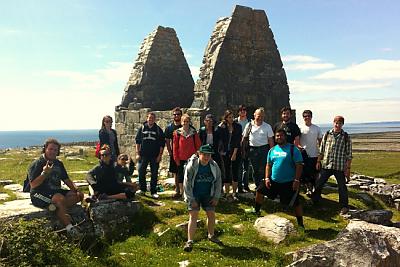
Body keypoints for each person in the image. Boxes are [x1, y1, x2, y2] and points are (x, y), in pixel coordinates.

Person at [250, 129, 304, 228]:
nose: (279, 137)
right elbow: (268, 165)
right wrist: (266, 178)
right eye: (277, 136)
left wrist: (296, 180)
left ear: (285, 137)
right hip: (274, 181)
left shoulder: (293, 149)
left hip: (289, 182)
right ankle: (256, 211)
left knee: (296, 203)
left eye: (281, 135)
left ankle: (301, 224)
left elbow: (299, 165)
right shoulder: (272, 150)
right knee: (259, 190)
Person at [28, 138, 84, 234]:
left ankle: (56, 208)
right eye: (50, 149)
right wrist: (44, 173)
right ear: (45, 149)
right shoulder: (37, 164)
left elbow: (66, 180)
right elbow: (33, 185)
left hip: (55, 192)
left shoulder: (58, 164)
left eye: (55, 150)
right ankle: (70, 228)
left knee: (78, 195)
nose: (53, 152)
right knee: (59, 199)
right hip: (39, 194)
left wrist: (77, 190)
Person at [183, 144, 223, 252]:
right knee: (193, 216)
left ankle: (211, 235)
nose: (206, 157)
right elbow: (186, 183)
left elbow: (218, 181)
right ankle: (190, 241)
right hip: (194, 194)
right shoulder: (192, 165)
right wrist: (191, 199)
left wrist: (216, 197)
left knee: (211, 214)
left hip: (207, 194)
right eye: (204, 155)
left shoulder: (214, 165)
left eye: (209, 155)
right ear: (199, 154)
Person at [311, 116, 352, 215]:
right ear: (333, 123)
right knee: (319, 183)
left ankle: (344, 206)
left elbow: (349, 154)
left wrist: (348, 169)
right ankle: (315, 201)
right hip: (327, 165)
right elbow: (321, 149)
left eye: (340, 123)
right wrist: (318, 161)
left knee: (342, 187)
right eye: (336, 123)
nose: (337, 125)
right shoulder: (327, 134)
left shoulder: (346, 136)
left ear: (342, 124)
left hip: (339, 166)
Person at [135, 112, 165, 199]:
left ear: (154, 119)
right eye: (149, 118)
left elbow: (162, 144)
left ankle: (153, 191)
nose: (150, 119)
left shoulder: (158, 130)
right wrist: (137, 153)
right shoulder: (142, 128)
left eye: (152, 118)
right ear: (147, 118)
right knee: (141, 171)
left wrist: (160, 155)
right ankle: (142, 189)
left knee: (154, 173)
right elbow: (138, 141)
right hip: (143, 154)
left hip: (154, 155)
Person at [242, 107, 274, 188]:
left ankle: (264, 186)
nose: (260, 118)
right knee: (255, 170)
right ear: (254, 115)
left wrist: (272, 152)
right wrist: (242, 150)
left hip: (264, 149)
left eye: (262, 116)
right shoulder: (249, 125)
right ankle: (257, 186)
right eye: (258, 116)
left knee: (264, 169)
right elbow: (244, 138)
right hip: (253, 150)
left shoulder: (267, 126)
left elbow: (271, 140)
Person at [173, 114, 201, 198]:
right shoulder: (177, 133)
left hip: (192, 158)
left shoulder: (193, 132)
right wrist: (176, 158)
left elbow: (198, 145)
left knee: (192, 175)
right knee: (181, 175)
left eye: (187, 121)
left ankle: (191, 191)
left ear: (189, 122)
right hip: (181, 157)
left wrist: (198, 156)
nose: (185, 123)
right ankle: (182, 192)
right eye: (184, 121)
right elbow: (175, 147)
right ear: (181, 122)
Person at [216, 110, 242, 201]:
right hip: (225, 152)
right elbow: (217, 133)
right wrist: (220, 126)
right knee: (226, 172)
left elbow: (237, 141)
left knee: (235, 172)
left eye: (232, 117)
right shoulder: (223, 127)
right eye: (229, 117)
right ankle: (227, 193)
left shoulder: (238, 126)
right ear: (226, 118)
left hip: (235, 151)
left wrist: (234, 154)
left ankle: (234, 193)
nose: (231, 119)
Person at [299, 110, 323, 196]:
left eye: (308, 116)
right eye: (305, 116)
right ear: (303, 117)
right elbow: (297, 140)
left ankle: (314, 188)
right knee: (305, 173)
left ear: (311, 117)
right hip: (303, 154)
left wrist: (321, 154)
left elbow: (321, 142)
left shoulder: (317, 128)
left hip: (314, 154)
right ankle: (308, 188)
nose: (307, 117)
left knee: (315, 172)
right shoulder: (300, 128)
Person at [164, 107, 183, 198]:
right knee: (176, 172)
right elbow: (167, 141)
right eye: (174, 114)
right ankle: (177, 190)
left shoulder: (185, 126)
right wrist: (170, 152)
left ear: (181, 115)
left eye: (178, 114)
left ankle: (184, 190)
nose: (176, 116)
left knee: (184, 171)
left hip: (184, 153)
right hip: (175, 153)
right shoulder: (169, 128)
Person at [235, 105, 251, 193]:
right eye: (241, 110)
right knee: (239, 167)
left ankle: (246, 185)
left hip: (247, 146)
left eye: (244, 110)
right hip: (237, 147)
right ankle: (239, 186)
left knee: (247, 167)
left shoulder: (250, 122)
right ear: (238, 112)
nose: (243, 112)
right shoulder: (235, 121)